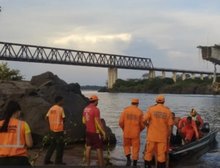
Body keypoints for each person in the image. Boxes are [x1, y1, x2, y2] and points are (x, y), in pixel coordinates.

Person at [143, 95, 173, 168]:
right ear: (164, 101)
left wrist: (147, 125)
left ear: (156, 101)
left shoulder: (151, 109)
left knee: (148, 153)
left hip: (152, 136)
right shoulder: (168, 111)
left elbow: (143, 120)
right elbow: (170, 125)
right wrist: (168, 135)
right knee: (161, 154)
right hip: (162, 137)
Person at [0, 100, 33, 166]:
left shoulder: (0, 124)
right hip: (20, 160)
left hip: (2, 161)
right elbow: (29, 144)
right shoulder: (23, 124)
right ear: (17, 112)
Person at [119, 98, 145, 166]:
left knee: (126, 146)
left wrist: (124, 129)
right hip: (135, 133)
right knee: (135, 148)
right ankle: (135, 163)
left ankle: (128, 159)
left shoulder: (125, 110)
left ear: (131, 103)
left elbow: (120, 122)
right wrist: (139, 130)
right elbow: (142, 125)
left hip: (126, 132)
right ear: (137, 104)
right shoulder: (140, 112)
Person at [82, 95, 106, 167]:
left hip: (88, 131)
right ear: (95, 101)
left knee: (88, 147)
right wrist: (104, 132)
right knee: (99, 149)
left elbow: (83, 121)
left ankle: (87, 164)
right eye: (97, 101)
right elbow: (98, 122)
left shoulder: (85, 109)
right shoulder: (96, 109)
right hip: (95, 132)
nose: (97, 102)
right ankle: (101, 165)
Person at [44, 96, 66, 165]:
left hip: (52, 130)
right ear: (59, 101)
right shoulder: (60, 109)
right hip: (59, 130)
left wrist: (50, 124)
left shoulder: (51, 108)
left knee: (52, 145)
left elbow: (46, 117)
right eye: (62, 100)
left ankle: (46, 160)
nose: (63, 102)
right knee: (60, 146)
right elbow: (64, 118)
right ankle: (58, 162)